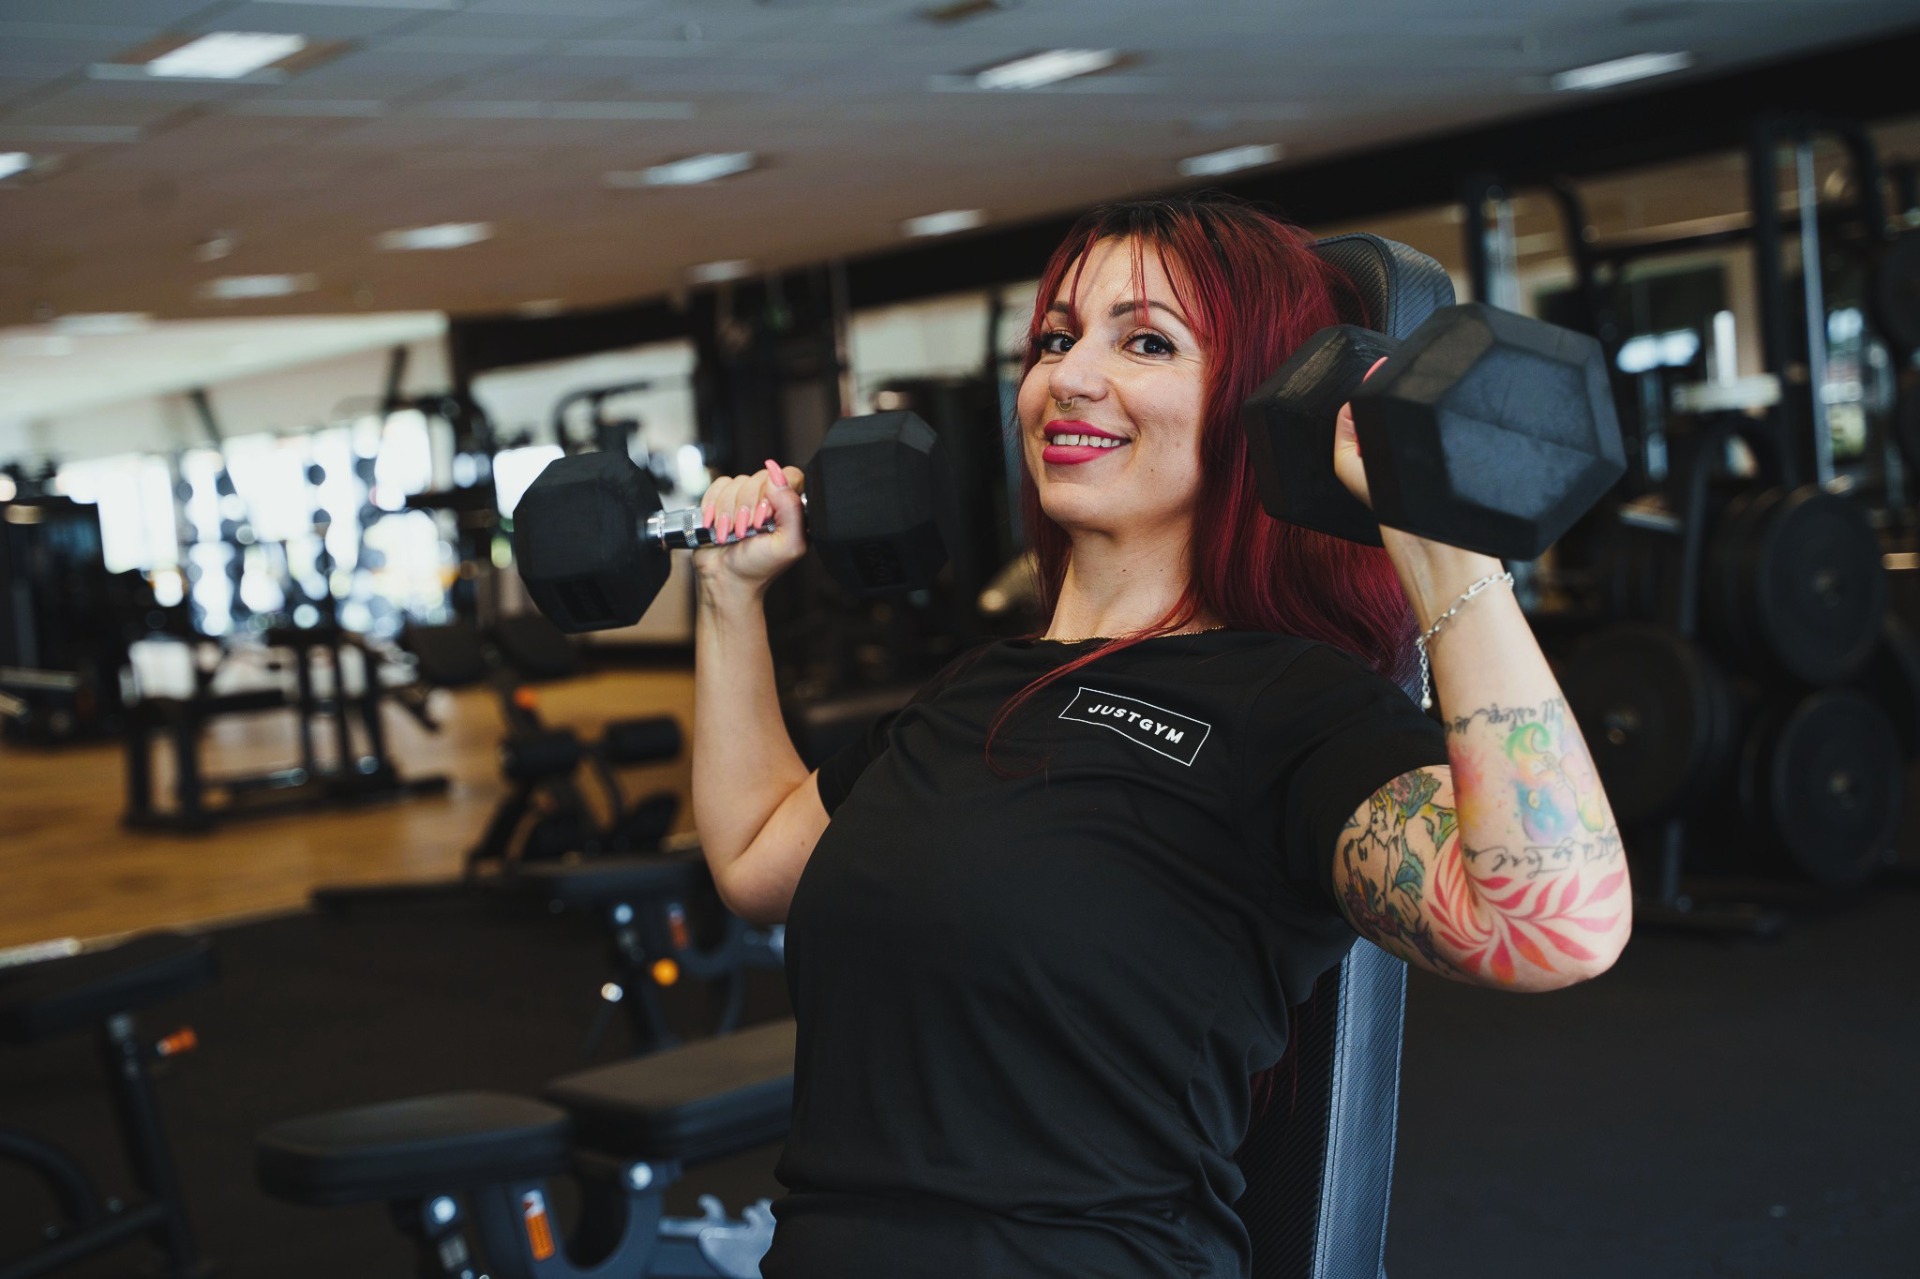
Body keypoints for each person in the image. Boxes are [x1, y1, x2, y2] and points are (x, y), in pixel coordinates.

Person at [687, 194, 1632, 1278]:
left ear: (1261, 403)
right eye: (1057, 339)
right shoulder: (972, 692)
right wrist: (728, 597)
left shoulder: (1290, 706)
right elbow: (756, 857)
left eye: (1145, 342)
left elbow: (1554, 926)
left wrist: (1439, 538)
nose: (1071, 377)